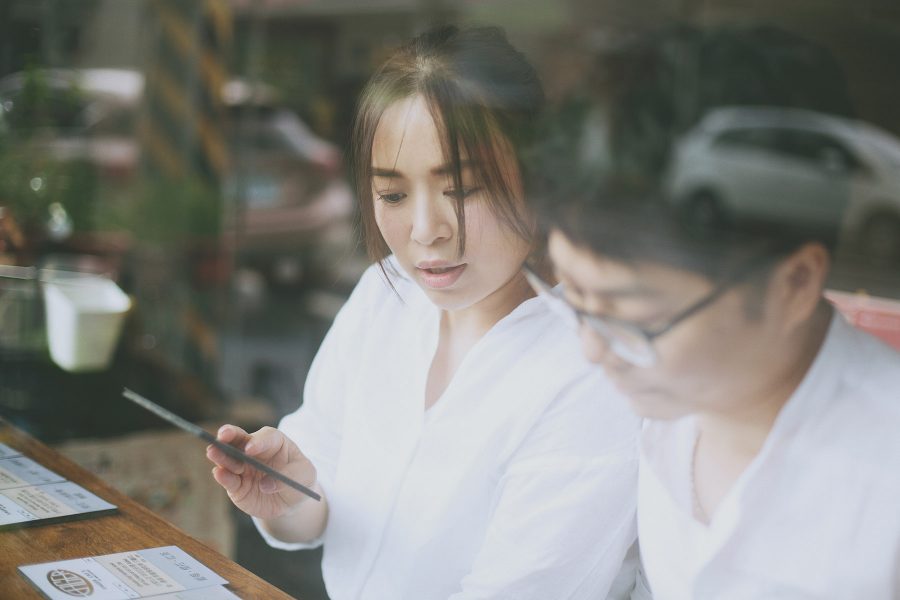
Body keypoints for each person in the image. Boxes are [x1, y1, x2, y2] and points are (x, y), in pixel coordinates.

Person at [207, 26, 643, 599]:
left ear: (539, 179)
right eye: (392, 195)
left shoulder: (592, 367)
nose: (424, 231)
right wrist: (285, 497)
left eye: (461, 191)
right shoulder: (385, 296)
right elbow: (321, 500)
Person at [525, 24, 900, 599]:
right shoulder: (660, 397)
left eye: (634, 315)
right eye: (572, 296)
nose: (592, 349)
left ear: (794, 283)